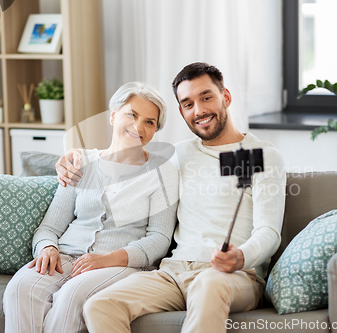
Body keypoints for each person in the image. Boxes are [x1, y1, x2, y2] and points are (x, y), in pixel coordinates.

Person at [56, 62, 286, 333]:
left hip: (233, 276)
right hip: (172, 273)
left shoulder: (261, 155)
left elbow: (269, 231)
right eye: (188, 104)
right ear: (181, 111)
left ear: (226, 97)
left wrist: (242, 257)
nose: (198, 111)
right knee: (100, 304)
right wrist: (76, 156)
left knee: (207, 284)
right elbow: (126, 152)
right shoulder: (177, 154)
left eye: (206, 97)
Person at [3, 82, 179, 333]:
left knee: (71, 296)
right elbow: (50, 226)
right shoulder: (80, 162)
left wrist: (107, 259)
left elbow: (159, 238)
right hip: (64, 257)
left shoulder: (163, 172)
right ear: (113, 115)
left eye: (150, 122)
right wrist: (47, 248)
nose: (139, 127)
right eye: (132, 114)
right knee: (20, 288)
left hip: (119, 264)